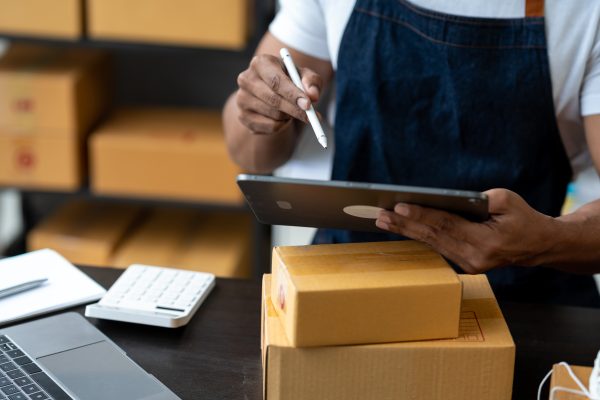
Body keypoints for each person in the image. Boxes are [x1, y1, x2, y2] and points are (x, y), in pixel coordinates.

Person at [222, 0, 600, 307]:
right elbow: (250, 154)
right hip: (349, 284)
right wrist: (258, 112)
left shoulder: (585, 12)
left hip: (523, 303)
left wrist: (547, 241)